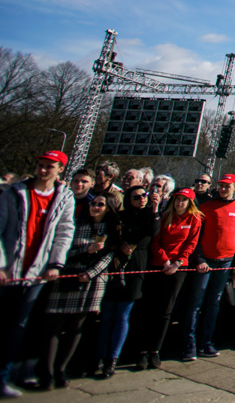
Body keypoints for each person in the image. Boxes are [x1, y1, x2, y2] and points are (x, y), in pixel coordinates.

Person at [0, 150, 76, 399]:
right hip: (9, 270)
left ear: (60, 169)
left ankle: (9, 374)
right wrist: (1, 265)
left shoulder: (64, 196)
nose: (43, 171)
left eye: (49, 167)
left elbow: (65, 232)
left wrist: (56, 264)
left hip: (37, 273)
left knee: (22, 325)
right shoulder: (15, 193)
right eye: (40, 166)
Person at [37, 191, 120, 389]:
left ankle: (61, 370)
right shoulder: (76, 224)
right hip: (68, 276)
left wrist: (91, 273)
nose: (96, 207)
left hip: (92, 281)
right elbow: (62, 249)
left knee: (76, 327)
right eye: (94, 204)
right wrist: (85, 250)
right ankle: (47, 373)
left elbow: (109, 255)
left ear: (108, 208)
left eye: (101, 204)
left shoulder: (112, 228)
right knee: (54, 327)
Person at [133, 188, 201, 370]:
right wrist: (165, 261)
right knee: (148, 308)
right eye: (177, 200)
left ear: (189, 203)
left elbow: (191, 244)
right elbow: (155, 241)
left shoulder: (194, 219)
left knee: (166, 310)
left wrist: (177, 263)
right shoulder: (164, 217)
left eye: (184, 200)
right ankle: (141, 351)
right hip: (159, 264)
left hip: (179, 267)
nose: (180, 203)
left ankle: (155, 350)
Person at [183, 174, 235, 360]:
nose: (223, 189)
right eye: (221, 185)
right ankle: (189, 345)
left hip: (226, 261)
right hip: (206, 261)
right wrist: (200, 259)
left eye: (227, 186)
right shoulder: (205, 207)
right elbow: (195, 237)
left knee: (214, 303)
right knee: (196, 303)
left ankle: (206, 343)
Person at [94, 183, 156, 378]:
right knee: (107, 315)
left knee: (122, 315)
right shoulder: (119, 217)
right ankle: (99, 356)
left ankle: (112, 359)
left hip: (136, 267)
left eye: (144, 195)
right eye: (136, 197)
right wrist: (120, 245)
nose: (141, 199)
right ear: (128, 200)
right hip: (115, 266)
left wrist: (154, 209)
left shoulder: (150, 216)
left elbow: (153, 231)